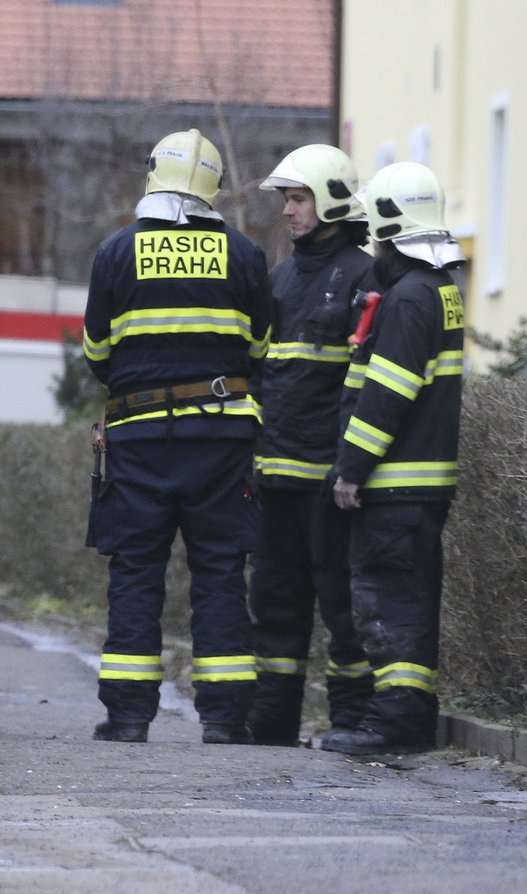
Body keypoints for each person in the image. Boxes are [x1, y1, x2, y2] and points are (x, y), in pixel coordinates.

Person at [82, 128, 271, 745]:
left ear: (152, 176)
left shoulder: (115, 253)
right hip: (221, 439)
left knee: (137, 569)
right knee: (219, 569)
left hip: (139, 437)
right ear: (213, 187)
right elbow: (260, 349)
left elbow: (97, 352)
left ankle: (130, 716)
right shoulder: (243, 256)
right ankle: (223, 717)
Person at [321, 161, 466, 755]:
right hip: (421, 485)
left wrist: (352, 468)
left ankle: (397, 722)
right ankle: (408, 713)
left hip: (396, 485)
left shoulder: (407, 298)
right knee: (412, 597)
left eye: (378, 233)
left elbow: (388, 393)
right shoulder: (440, 290)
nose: (373, 246)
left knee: (389, 601)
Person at [246, 145, 375, 746]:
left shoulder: (361, 276)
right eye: (287, 201)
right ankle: (271, 723)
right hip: (275, 478)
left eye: (298, 199)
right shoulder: (280, 278)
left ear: (330, 201)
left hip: (330, 481)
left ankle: (350, 721)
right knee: (275, 605)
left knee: (341, 607)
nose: (288, 212)